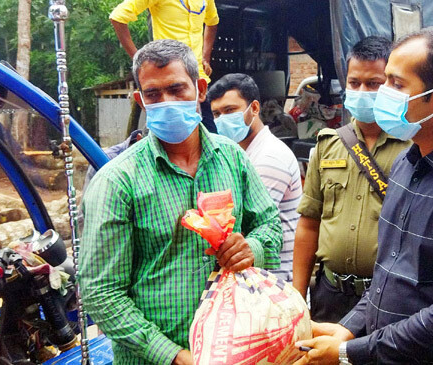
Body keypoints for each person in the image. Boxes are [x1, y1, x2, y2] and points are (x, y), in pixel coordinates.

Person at [78, 39, 282, 365]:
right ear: (140, 101)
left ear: (200, 89)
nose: (166, 102)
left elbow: (270, 225)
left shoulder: (233, 159)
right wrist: (173, 356)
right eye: (153, 94)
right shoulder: (117, 181)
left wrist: (251, 248)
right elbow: (100, 292)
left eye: (177, 89)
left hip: (236, 349)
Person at [295, 26, 433, 364]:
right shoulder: (408, 161)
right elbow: (388, 271)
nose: (382, 94)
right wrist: (349, 327)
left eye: (396, 85)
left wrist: (348, 352)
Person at [292, 36, 411, 322]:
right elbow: (309, 223)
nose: (361, 91)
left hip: (389, 296)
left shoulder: (413, 147)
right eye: (354, 83)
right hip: (330, 293)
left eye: (373, 84)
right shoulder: (328, 144)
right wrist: (297, 298)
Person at [208, 73, 302, 282]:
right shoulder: (240, 155)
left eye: (230, 110)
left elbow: (248, 224)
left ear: (255, 109)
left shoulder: (269, 157)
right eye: (216, 114)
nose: (222, 120)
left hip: (274, 283)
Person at [110, 0, 219, 133]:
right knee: (162, 136)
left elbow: (212, 22)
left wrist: (205, 57)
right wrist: (139, 60)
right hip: (166, 80)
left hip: (195, 80)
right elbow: (118, 17)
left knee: (210, 137)